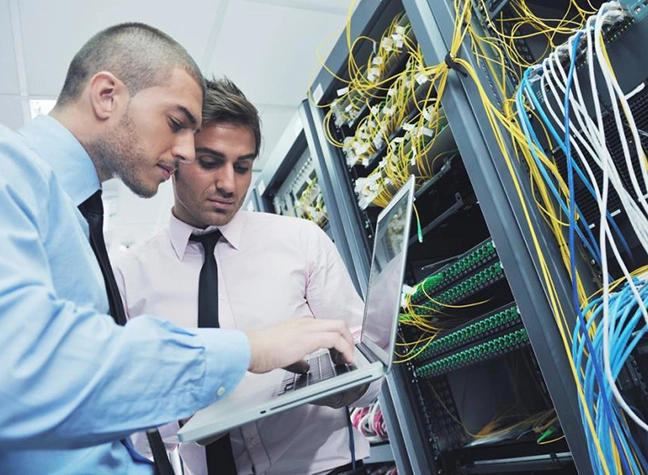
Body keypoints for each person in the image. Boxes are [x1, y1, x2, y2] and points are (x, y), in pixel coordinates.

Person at [0, 23, 356, 475]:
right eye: (176, 123)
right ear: (107, 96)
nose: (186, 151)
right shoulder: (11, 173)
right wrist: (244, 351)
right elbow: (23, 373)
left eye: (243, 166)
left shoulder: (72, 221)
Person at [115, 77, 379, 475]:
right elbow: (126, 425)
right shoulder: (128, 278)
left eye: (243, 167)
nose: (229, 184)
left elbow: (370, 359)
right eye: (209, 162)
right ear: (175, 158)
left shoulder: (301, 241)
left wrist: (351, 385)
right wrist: (185, 417)